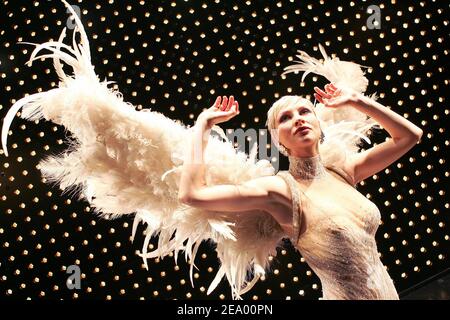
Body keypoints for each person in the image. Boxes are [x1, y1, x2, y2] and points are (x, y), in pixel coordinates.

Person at [178, 86, 423, 299]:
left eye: (305, 112)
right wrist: (203, 125)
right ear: (278, 141)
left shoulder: (344, 171)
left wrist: (357, 100)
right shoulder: (279, 190)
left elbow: (410, 136)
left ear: (319, 124)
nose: (298, 119)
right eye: (285, 118)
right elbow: (192, 194)